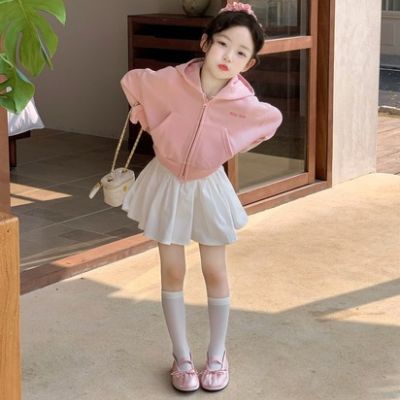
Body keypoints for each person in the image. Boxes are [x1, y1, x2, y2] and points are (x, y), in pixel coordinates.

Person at [120, 2, 282, 393]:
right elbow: (133, 82)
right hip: (166, 180)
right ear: (206, 43)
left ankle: (217, 354)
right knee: (173, 270)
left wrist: (229, 143)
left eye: (240, 52)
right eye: (223, 44)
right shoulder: (173, 80)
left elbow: (269, 121)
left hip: (209, 185)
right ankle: (182, 357)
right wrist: (149, 117)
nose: (228, 56)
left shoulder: (243, 102)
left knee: (214, 270)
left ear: (249, 63)